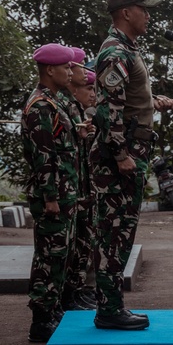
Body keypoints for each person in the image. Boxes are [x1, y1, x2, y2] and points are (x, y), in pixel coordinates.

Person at [90, 0, 173, 330]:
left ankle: (112, 307)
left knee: (122, 231)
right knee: (114, 233)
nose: (149, 14)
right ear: (126, 13)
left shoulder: (127, 49)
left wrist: (152, 103)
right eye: (144, 8)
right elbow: (107, 109)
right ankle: (109, 310)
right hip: (120, 157)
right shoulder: (115, 52)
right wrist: (120, 154)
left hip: (132, 151)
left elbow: (126, 100)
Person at [21, 43, 80, 342]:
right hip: (54, 195)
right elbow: (44, 156)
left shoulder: (53, 103)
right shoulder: (40, 106)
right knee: (48, 256)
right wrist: (50, 197)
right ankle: (41, 318)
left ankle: (53, 308)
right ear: (49, 70)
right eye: (66, 67)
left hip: (64, 192)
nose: (71, 71)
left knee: (61, 255)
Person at [58, 47, 97, 312]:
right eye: (80, 66)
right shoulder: (54, 105)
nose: (85, 72)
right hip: (65, 190)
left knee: (80, 245)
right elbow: (49, 156)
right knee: (59, 252)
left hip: (79, 188)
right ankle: (53, 305)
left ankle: (75, 293)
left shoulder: (72, 106)